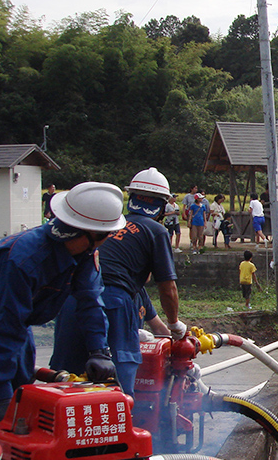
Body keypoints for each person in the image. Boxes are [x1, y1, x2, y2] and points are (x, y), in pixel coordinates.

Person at [0, 181, 127, 423]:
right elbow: (7, 324)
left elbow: (90, 302)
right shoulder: (25, 259)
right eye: (107, 235)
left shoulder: (85, 254)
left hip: (17, 325)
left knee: (23, 390)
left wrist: (99, 351)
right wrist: (0, 393)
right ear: (91, 234)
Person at [50, 167, 186, 398]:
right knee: (118, 381)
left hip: (72, 301)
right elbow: (167, 287)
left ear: (130, 197)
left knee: (64, 377)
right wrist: (174, 324)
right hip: (114, 303)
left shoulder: (106, 226)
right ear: (162, 206)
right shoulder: (155, 231)